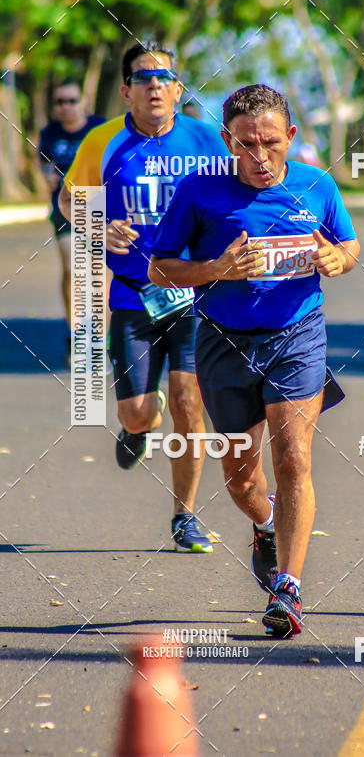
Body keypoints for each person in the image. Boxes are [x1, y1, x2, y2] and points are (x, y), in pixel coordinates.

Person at [148, 83, 360, 637]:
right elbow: (159, 269)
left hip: (297, 336)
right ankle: (265, 526)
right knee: (242, 479)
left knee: (294, 458)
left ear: (291, 137)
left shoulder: (316, 184)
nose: (260, 157)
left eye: (270, 142)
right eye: (246, 144)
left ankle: (288, 588)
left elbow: (348, 244)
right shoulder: (199, 191)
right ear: (227, 141)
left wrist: (338, 258)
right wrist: (217, 268)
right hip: (222, 341)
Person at [58, 42, 224, 553]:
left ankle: (185, 515)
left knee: (189, 403)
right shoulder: (103, 142)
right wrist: (96, 224)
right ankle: (138, 429)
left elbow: (236, 197)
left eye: (164, 77)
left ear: (177, 89)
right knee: (137, 412)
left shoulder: (206, 140)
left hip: (194, 297)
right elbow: (68, 198)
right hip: (132, 298)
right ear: (126, 90)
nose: (154, 84)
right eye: (142, 77)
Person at [39, 79, 104, 367]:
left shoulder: (100, 128)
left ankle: (101, 338)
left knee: (98, 272)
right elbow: (45, 163)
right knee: (70, 267)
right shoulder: (49, 133)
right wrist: (47, 176)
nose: (65, 107)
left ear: (83, 102)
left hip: (98, 204)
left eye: (71, 101)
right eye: (60, 102)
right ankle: (75, 332)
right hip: (65, 206)